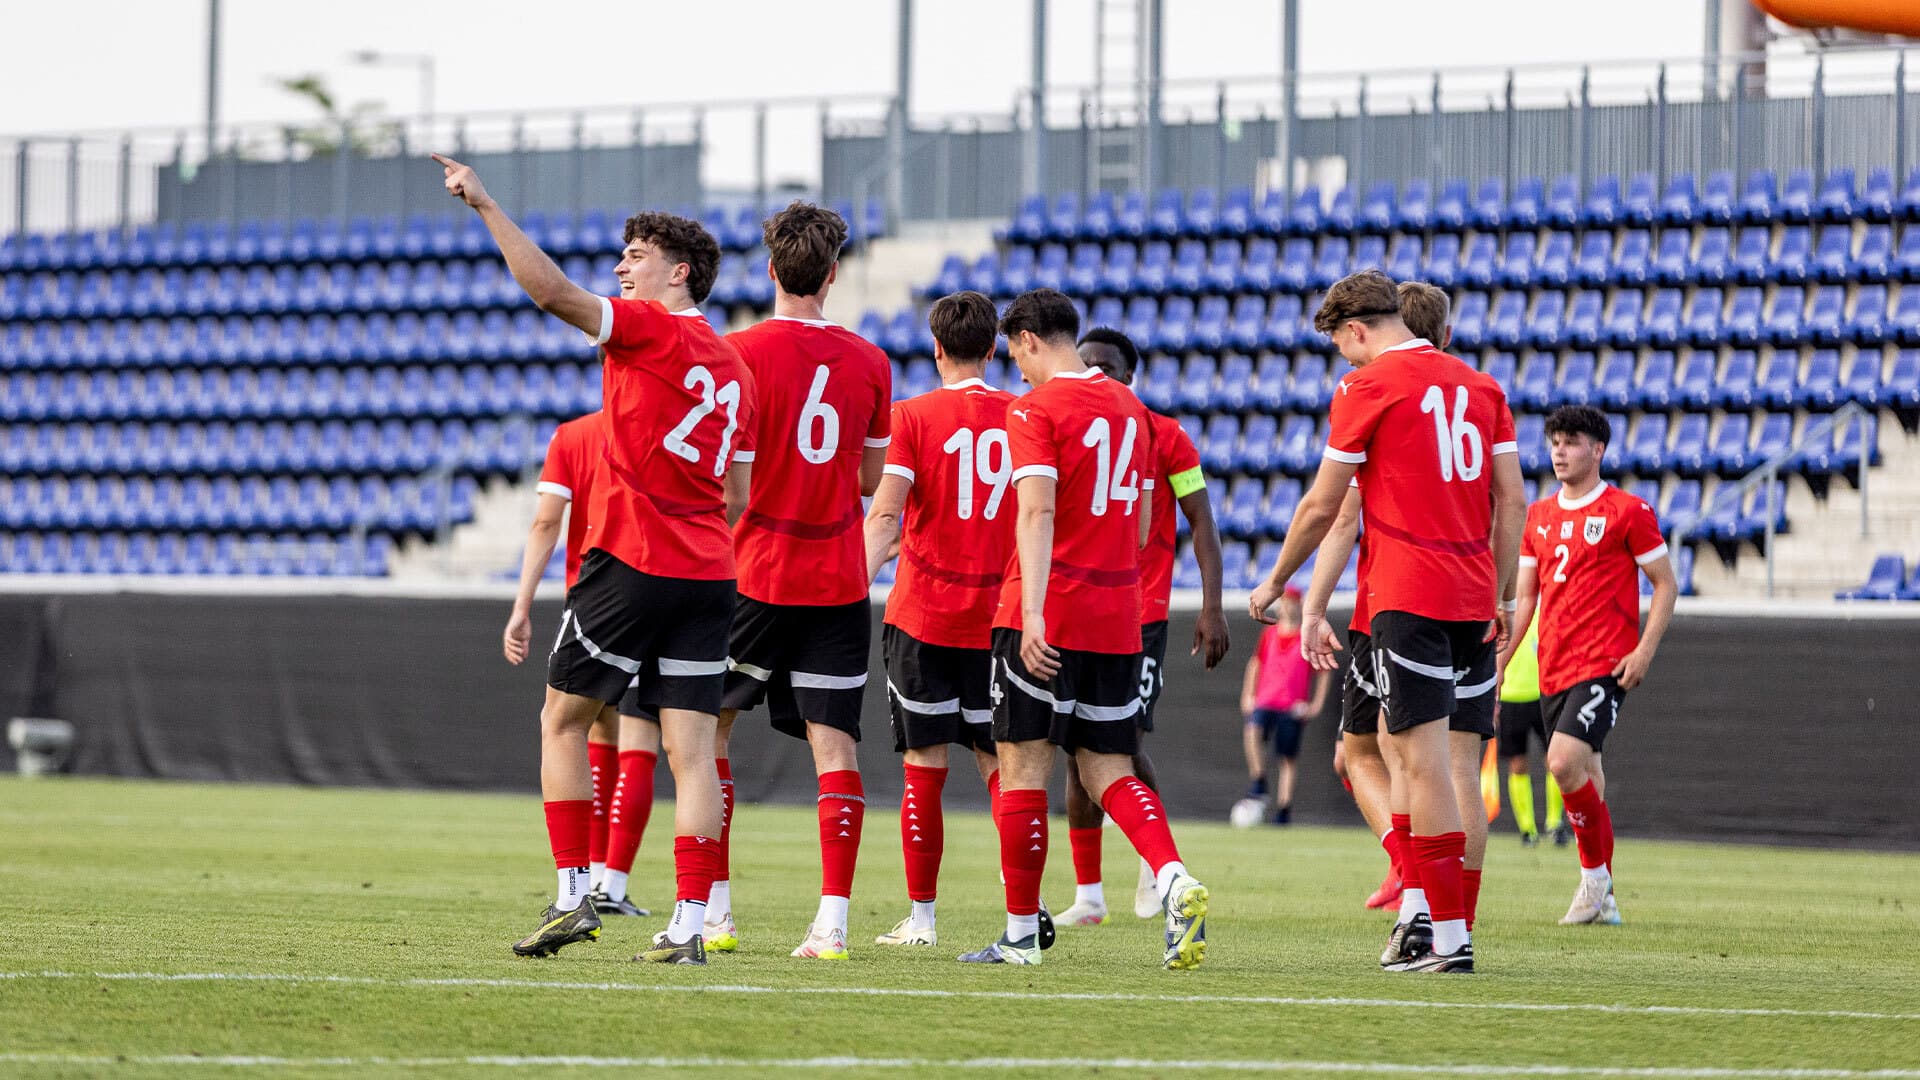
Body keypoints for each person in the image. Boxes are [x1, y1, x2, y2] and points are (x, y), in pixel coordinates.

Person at [435, 153, 749, 966]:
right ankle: (689, 923)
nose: (621, 268)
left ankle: (575, 894)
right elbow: (740, 494)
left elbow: (547, 292)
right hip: (710, 572)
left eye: (636, 256)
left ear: (679, 273)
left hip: (634, 560)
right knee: (692, 753)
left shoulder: (647, 326)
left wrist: (486, 205)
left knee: (561, 720)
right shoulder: (737, 369)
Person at [1250, 270, 1525, 973]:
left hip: (1408, 597)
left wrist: (1279, 581)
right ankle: (1427, 923)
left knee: (1418, 762)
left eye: (1342, 345)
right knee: (1446, 764)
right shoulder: (1482, 387)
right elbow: (1513, 503)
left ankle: (1447, 938)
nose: (1345, 358)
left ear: (1357, 329)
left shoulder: (1366, 387)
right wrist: (1500, 596)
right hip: (1472, 598)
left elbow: (1324, 507)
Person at [962, 288, 1209, 969]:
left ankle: (1019, 935)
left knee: (1023, 767)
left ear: (1033, 340)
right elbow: (1138, 523)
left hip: (1046, 611)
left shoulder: (1035, 409)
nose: (1017, 369)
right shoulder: (1134, 410)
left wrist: (1036, 611)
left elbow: (1036, 514)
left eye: (1016, 354)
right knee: (1109, 768)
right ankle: (1173, 878)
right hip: (1118, 614)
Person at [716, 201, 893, 961]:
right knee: (835, 747)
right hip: (836, 577)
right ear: (833, 273)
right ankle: (832, 923)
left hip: (750, 571)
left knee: (701, 736)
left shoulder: (736, 352)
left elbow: (728, 480)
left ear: (770, 271)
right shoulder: (870, 360)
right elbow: (871, 479)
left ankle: (711, 912)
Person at [1056, 327, 1229, 928]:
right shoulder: (1066, 424)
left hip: (1143, 614)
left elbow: (1202, 522)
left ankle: (1156, 869)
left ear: (1131, 377)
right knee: (1077, 752)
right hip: (1075, 610)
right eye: (1087, 364)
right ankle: (1090, 895)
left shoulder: (1166, 435)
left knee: (1120, 745)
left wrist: (1211, 606)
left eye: (1108, 366)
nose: (1097, 374)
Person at [861, 291, 1015, 947]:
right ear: (992, 348)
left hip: (923, 616)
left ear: (936, 349)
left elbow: (888, 513)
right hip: (1000, 620)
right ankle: (1022, 913)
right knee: (1004, 768)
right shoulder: (1024, 416)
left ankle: (922, 920)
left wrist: (854, 582)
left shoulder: (913, 417)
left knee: (924, 768)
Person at [1502, 405, 1678, 926]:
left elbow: (1665, 585)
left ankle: (1592, 881)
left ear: (1597, 450)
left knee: (1560, 762)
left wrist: (1643, 651)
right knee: (1588, 777)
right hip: (1552, 666)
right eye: (1554, 440)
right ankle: (1606, 898)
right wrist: (1501, 662)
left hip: (1604, 664)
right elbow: (1527, 599)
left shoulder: (1628, 511)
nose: (1558, 449)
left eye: (1571, 441)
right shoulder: (1537, 517)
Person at [503, 410, 659, 918]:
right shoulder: (661, 426)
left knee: (580, 731)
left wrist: (521, 606)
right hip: (664, 589)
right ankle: (612, 884)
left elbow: (547, 520)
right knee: (637, 743)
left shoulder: (573, 436)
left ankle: (584, 881)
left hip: (592, 602)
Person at [1240, 586, 1329, 823]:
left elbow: (1323, 672)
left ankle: (1283, 808)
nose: (1287, 607)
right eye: (1284, 602)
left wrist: (1315, 705)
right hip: (1266, 699)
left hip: (1291, 705)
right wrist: (1248, 694)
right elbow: (1255, 663)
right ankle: (1258, 779)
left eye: (1291, 602)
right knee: (1252, 730)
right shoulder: (1269, 634)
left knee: (1287, 758)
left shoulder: (1306, 637)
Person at [1495, 619, 1568, 847]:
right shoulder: (1501, 615)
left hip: (1542, 695)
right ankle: (1527, 829)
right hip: (1510, 697)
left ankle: (1554, 823)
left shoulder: (1540, 612)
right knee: (1518, 764)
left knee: (1554, 760)